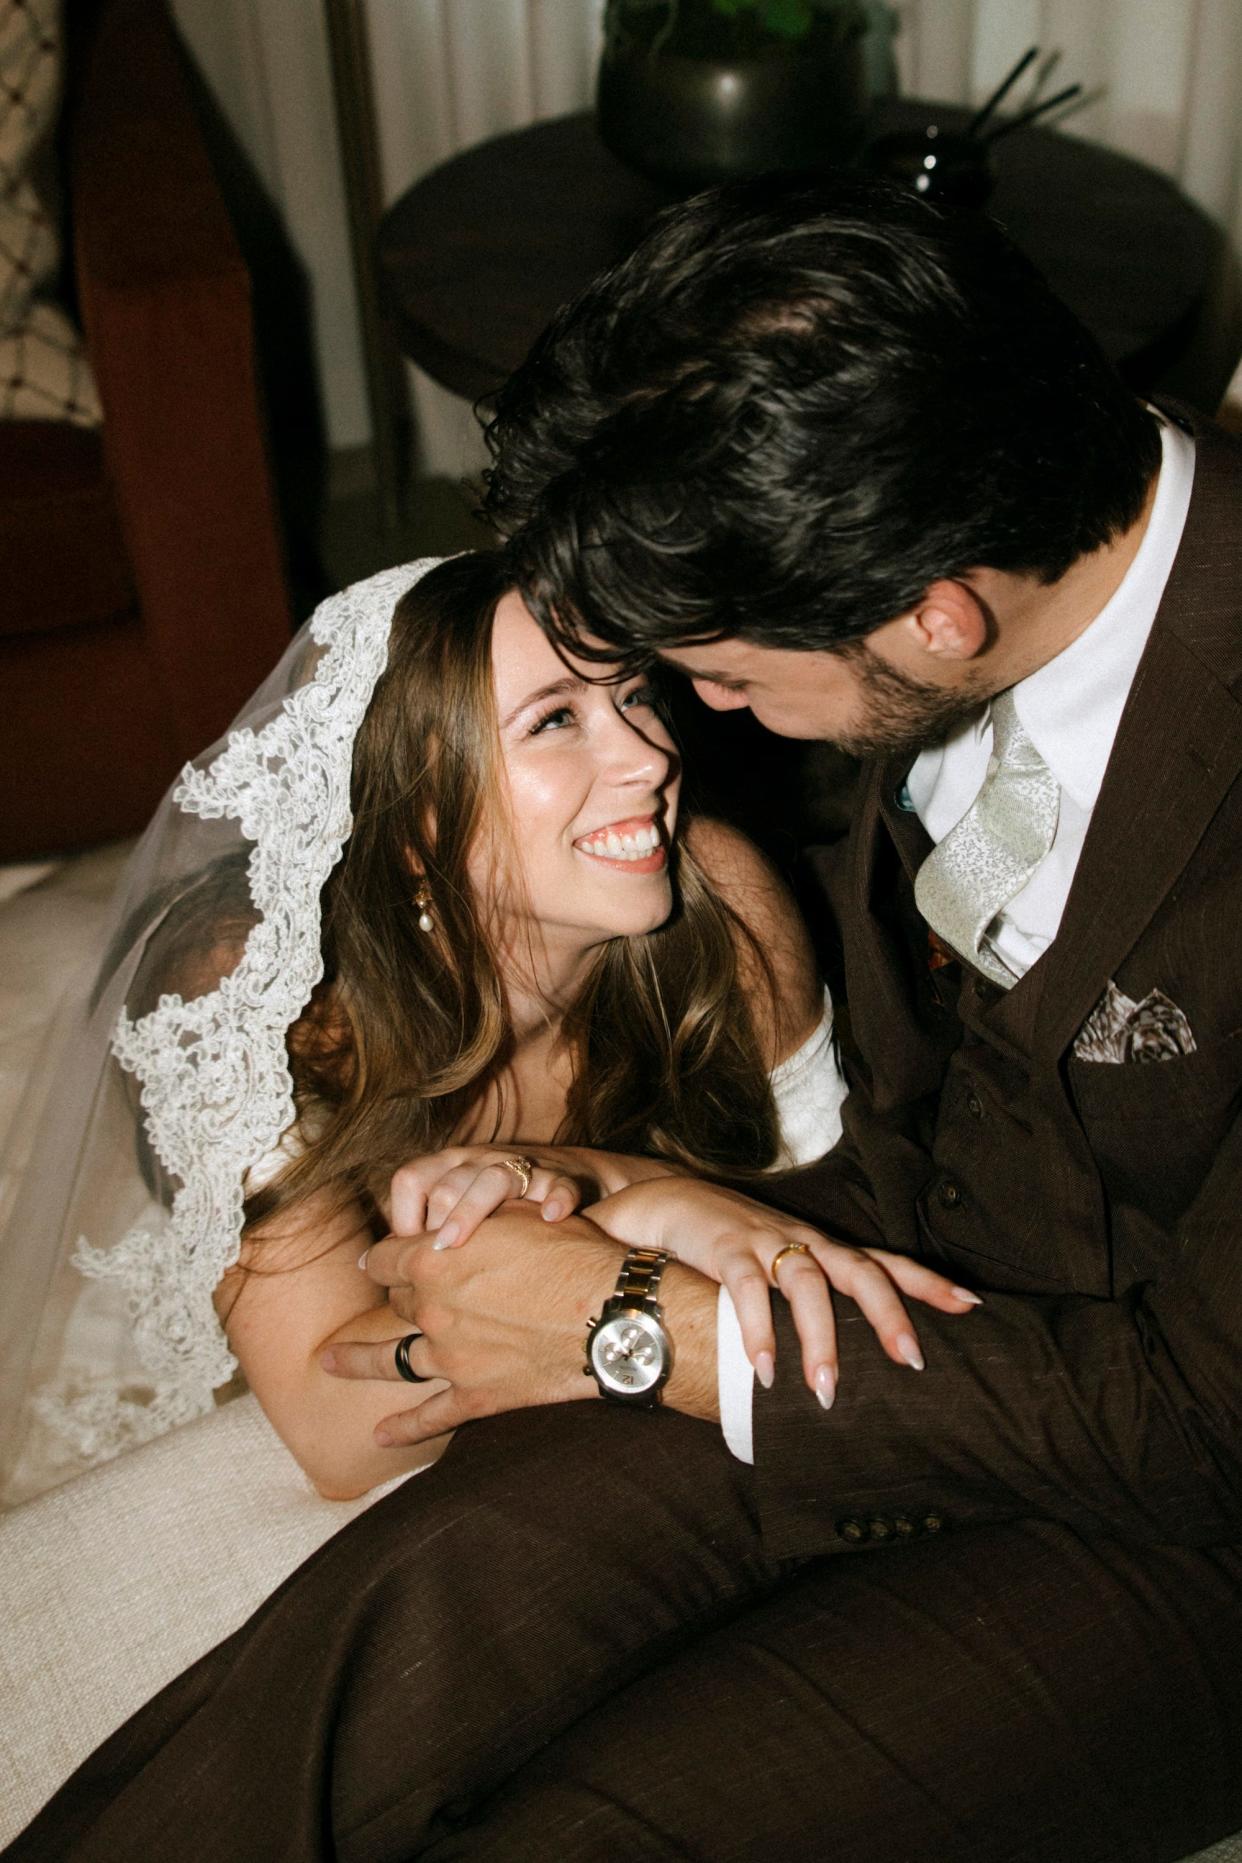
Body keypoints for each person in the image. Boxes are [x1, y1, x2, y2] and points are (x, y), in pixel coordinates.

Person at [8, 172, 1242, 1862]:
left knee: (592, 1829)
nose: (693, 729)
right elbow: (934, 1118)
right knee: (414, 1609)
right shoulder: (992, 537)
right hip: (910, 1308)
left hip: (1185, 1516)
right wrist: (625, 1205)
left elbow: (1200, 1426)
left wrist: (634, 1330)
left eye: (719, 678)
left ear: (934, 613)